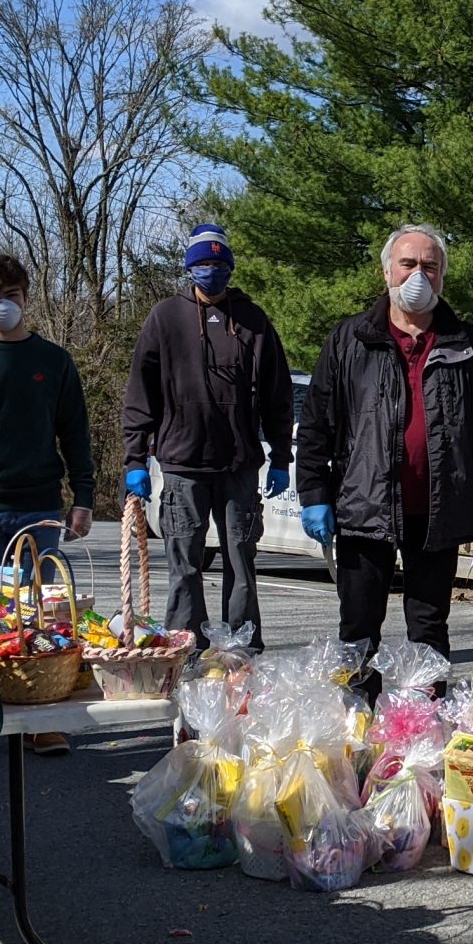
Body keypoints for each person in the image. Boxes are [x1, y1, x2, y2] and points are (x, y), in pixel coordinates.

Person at [296, 224, 473, 671]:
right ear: (386, 272)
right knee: (357, 628)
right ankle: (356, 726)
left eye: (430, 267)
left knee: (429, 627)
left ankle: (424, 725)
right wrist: (314, 495)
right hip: (364, 508)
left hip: (438, 510)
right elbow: (317, 424)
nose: (419, 275)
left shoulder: (467, 344)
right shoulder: (349, 340)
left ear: (441, 277)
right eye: (409, 263)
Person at [0, 252, 98, 755]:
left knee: (35, 615)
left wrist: (84, 497)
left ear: (26, 298)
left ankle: (40, 717)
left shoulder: (53, 361)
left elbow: (75, 432)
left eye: (11, 296)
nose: (3, 306)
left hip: (40, 506)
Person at [121, 225, 293, 650]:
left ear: (230, 268)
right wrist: (135, 459)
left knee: (241, 560)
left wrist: (281, 457)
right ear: (189, 269)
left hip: (238, 463)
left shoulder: (253, 320)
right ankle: (184, 646)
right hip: (181, 463)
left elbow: (277, 393)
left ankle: (241, 650)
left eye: (218, 264)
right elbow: (140, 391)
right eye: (202, 264)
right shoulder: (165, 317)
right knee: (184, 564)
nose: (210, 271)